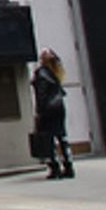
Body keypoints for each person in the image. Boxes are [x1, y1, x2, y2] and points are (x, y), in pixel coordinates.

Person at [33, 48, 73, 179]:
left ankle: (54, 168)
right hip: (59, 107)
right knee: (62, 136)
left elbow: (41, 94)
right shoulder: (57, 71)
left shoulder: (41, 73)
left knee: (48, 138)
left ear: (42, 59)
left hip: (47, 109)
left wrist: (39, 111)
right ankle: (68, 166)